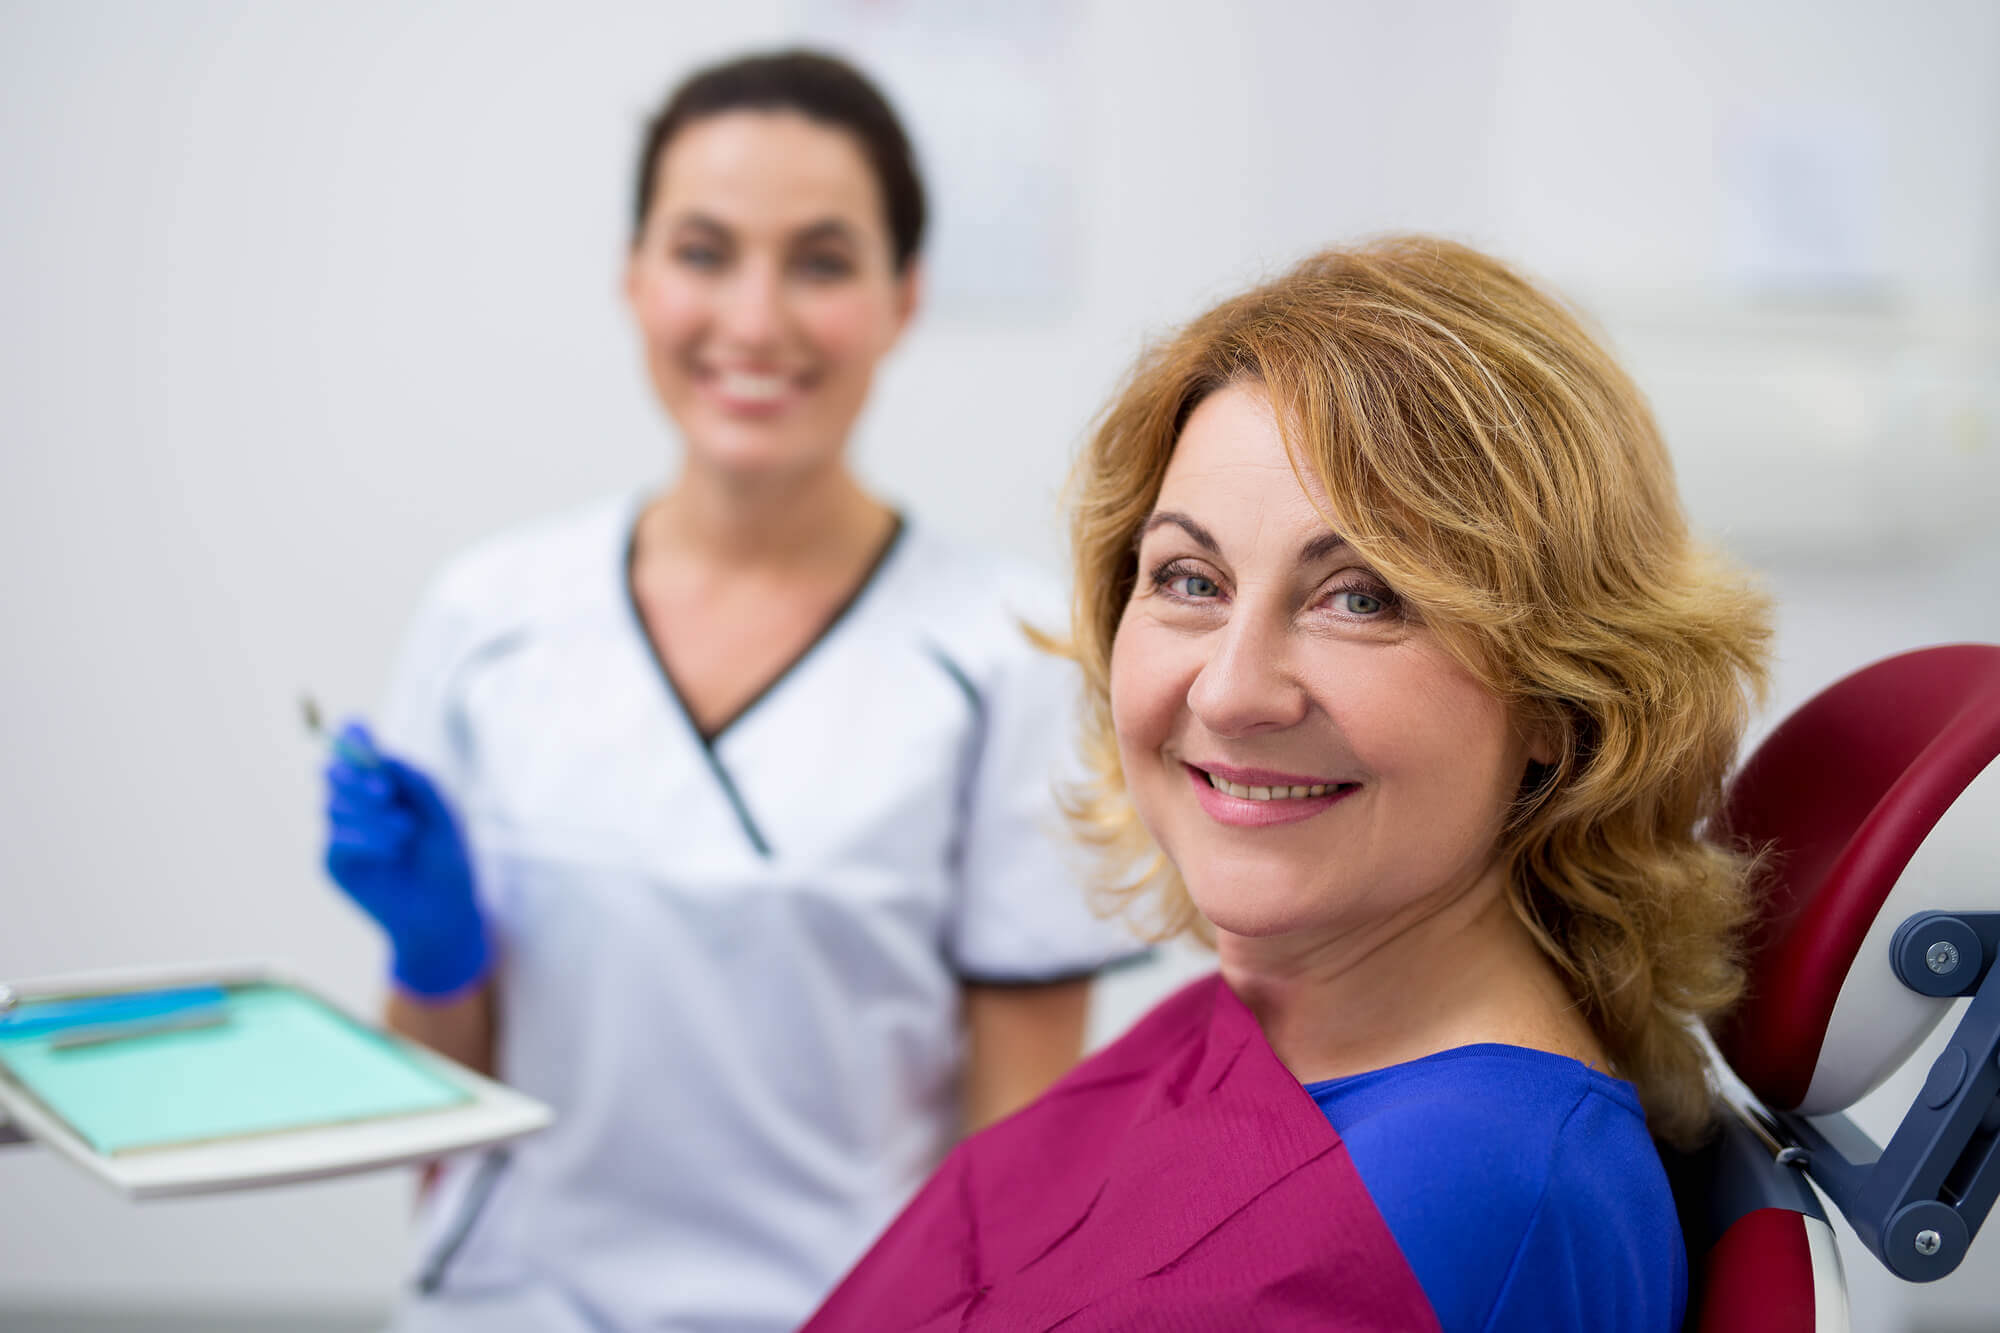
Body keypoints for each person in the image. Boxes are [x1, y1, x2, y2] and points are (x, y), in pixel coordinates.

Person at [802, 236, 1773, 1332]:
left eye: (1360, 597)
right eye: (1188, 578)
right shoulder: (1265, 1022)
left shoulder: (1476, 1196)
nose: (1228, 691)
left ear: (1559, 695)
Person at [319, 49, 1140, 1333]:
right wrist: (436, 953)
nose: (753, 321)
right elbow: (432, 1121)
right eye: (703, 253)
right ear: (633, 277)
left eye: (820, 261)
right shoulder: (489, 617)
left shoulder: (1006, 649)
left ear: (901, 297)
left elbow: (1021, 1141)